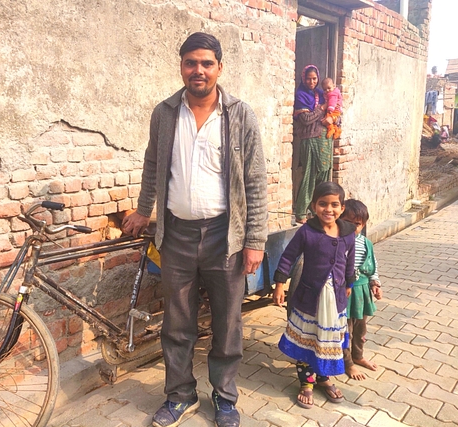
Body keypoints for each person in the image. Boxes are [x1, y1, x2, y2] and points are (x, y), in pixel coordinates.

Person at [121, 32, 268, 427]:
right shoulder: (165, 113)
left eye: (206, 63)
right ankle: (180, 394)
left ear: (220, 67)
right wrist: (141, 211)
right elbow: (153, 166)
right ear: (181, 66)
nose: (198, 70)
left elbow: (255, 181)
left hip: (226, 237)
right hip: (178, 236)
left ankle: (224, 398)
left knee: (227, 322)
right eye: (191, 62)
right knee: (177, 321)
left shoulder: (240, 115)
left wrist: (254, 241)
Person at [272, 181, 355, 409]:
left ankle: (324, 378)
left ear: (342, 207)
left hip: (335, 300)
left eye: (334, 205)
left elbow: (349, 260)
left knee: (327, 340)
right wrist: (280, 284)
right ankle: (306, 383)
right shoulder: (307, 232)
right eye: (322, 204)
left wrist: (349, 283)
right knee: (308, 340)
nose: (328, 210)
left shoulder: (348, 233)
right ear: (313, 205)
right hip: (310, 299)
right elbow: (288, 257)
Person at [340, 199, 383, 380]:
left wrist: (375, 284)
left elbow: (372, 266)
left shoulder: (366, 244)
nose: (352, 228)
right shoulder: (338, 242)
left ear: (363, 224)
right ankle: (347, 362)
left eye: (357, 224)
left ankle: (358, 356)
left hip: (362, 292)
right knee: (345, 329)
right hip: (344, 292)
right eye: (347, 223)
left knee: (360, 328)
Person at [292, 65, 333, 224]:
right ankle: (301, 212)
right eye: (308, 78)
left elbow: (336, 112)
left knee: (323, 174)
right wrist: (321, 108)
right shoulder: (301, 95)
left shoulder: (324, 93)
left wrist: (333, 119)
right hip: (309, 140)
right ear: (303, 78)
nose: (311, 82)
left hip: (325, 140)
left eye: (314, 79)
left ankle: (316, 210)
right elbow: (305, 120)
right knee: (309, 174)